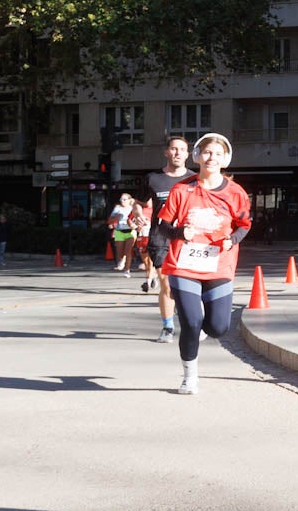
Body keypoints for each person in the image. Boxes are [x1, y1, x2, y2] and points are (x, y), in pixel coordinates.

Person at [152, 133, 251, 395]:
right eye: (207, 152)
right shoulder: (182, 189)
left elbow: (244, 225)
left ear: (225, 159)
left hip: (219, 264)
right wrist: (177, 233)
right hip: (183, 264)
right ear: (198, 156)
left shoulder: (235, 193)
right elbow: (162, 225)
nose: (212, 158)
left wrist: (232, 239)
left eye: (218, 154)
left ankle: (204, 330)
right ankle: (189, 377)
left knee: (218, 327)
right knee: (192, 322)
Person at [144, 136, 193, 341]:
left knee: (186, 285)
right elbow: (140, 203)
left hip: (187, 239)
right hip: (160, 237)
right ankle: (168, 327)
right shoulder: (153, 179)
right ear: (166, 152)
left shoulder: (194, 179)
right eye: (173, 149)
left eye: (182, 149)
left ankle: (191, 320)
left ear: (188, 154)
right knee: (167, 284)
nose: (177, 153)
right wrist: (138, 215)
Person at [107, 192, 137, 273]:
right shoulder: (117, 208)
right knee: (120, 252)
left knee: (128, 251)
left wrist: (135, 225)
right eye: (121, 199)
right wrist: (116, 218)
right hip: (119, 231)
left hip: (130, 231)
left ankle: (127, 270)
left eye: (124, 199)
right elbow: (109, 221)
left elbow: (138, 218)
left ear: (129, 200)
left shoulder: (133, 208)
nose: (122, 201)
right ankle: (122, 260)